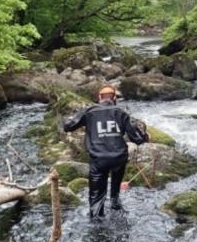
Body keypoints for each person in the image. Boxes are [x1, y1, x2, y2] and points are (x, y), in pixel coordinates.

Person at [63, 84, 149, 218]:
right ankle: (115, 202)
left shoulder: (89, 111)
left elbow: (68, 126)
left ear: (99, 98)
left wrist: (69, 118)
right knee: (116, 183)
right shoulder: (121, 113)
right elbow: (137, 139)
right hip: (119, 157)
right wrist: (145, 135)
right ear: (114, 98)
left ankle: (97, 221)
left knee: (97, 196)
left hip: (99, 158)